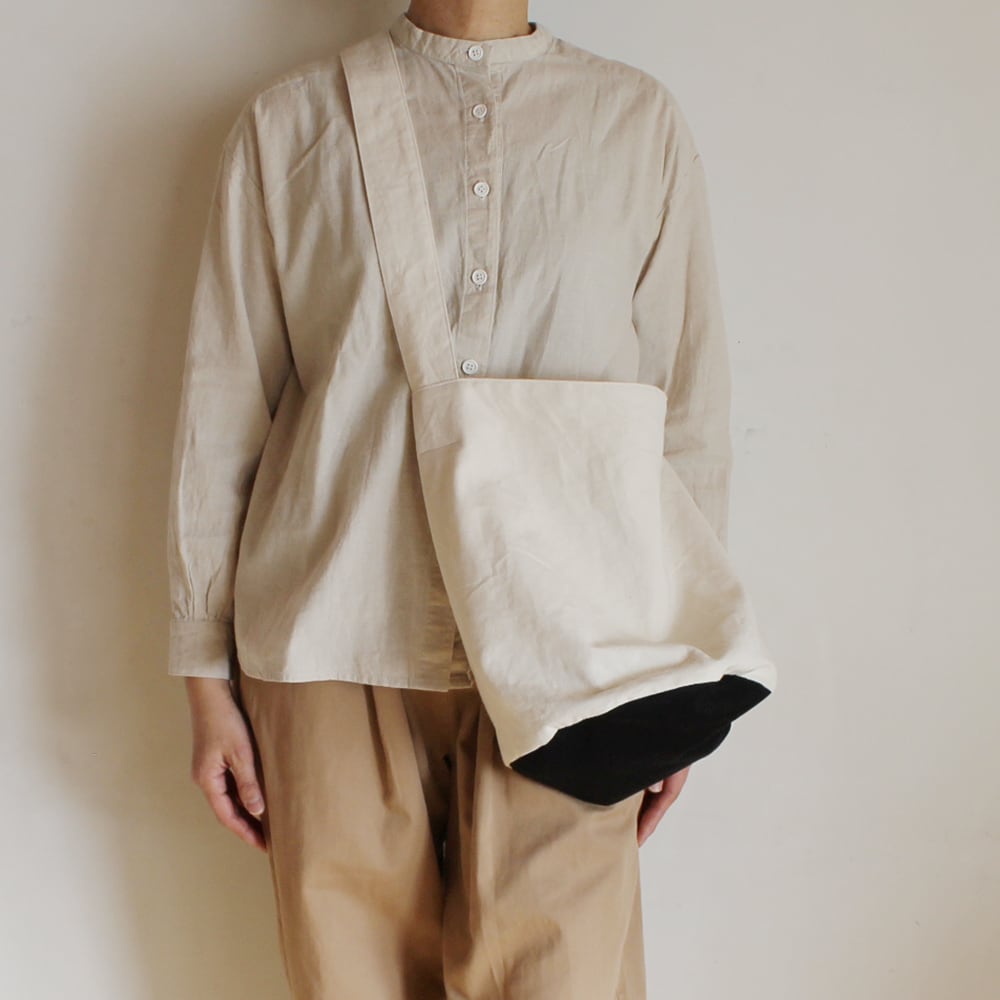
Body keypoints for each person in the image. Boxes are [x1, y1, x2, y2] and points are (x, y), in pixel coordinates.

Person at [166, 1, 734, 996]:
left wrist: (675, 667)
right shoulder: (291, 122)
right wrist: (202, 678)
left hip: (578, 650)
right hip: (331, 633)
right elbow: (224, 404)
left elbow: (683, 410)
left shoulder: (634, 121)